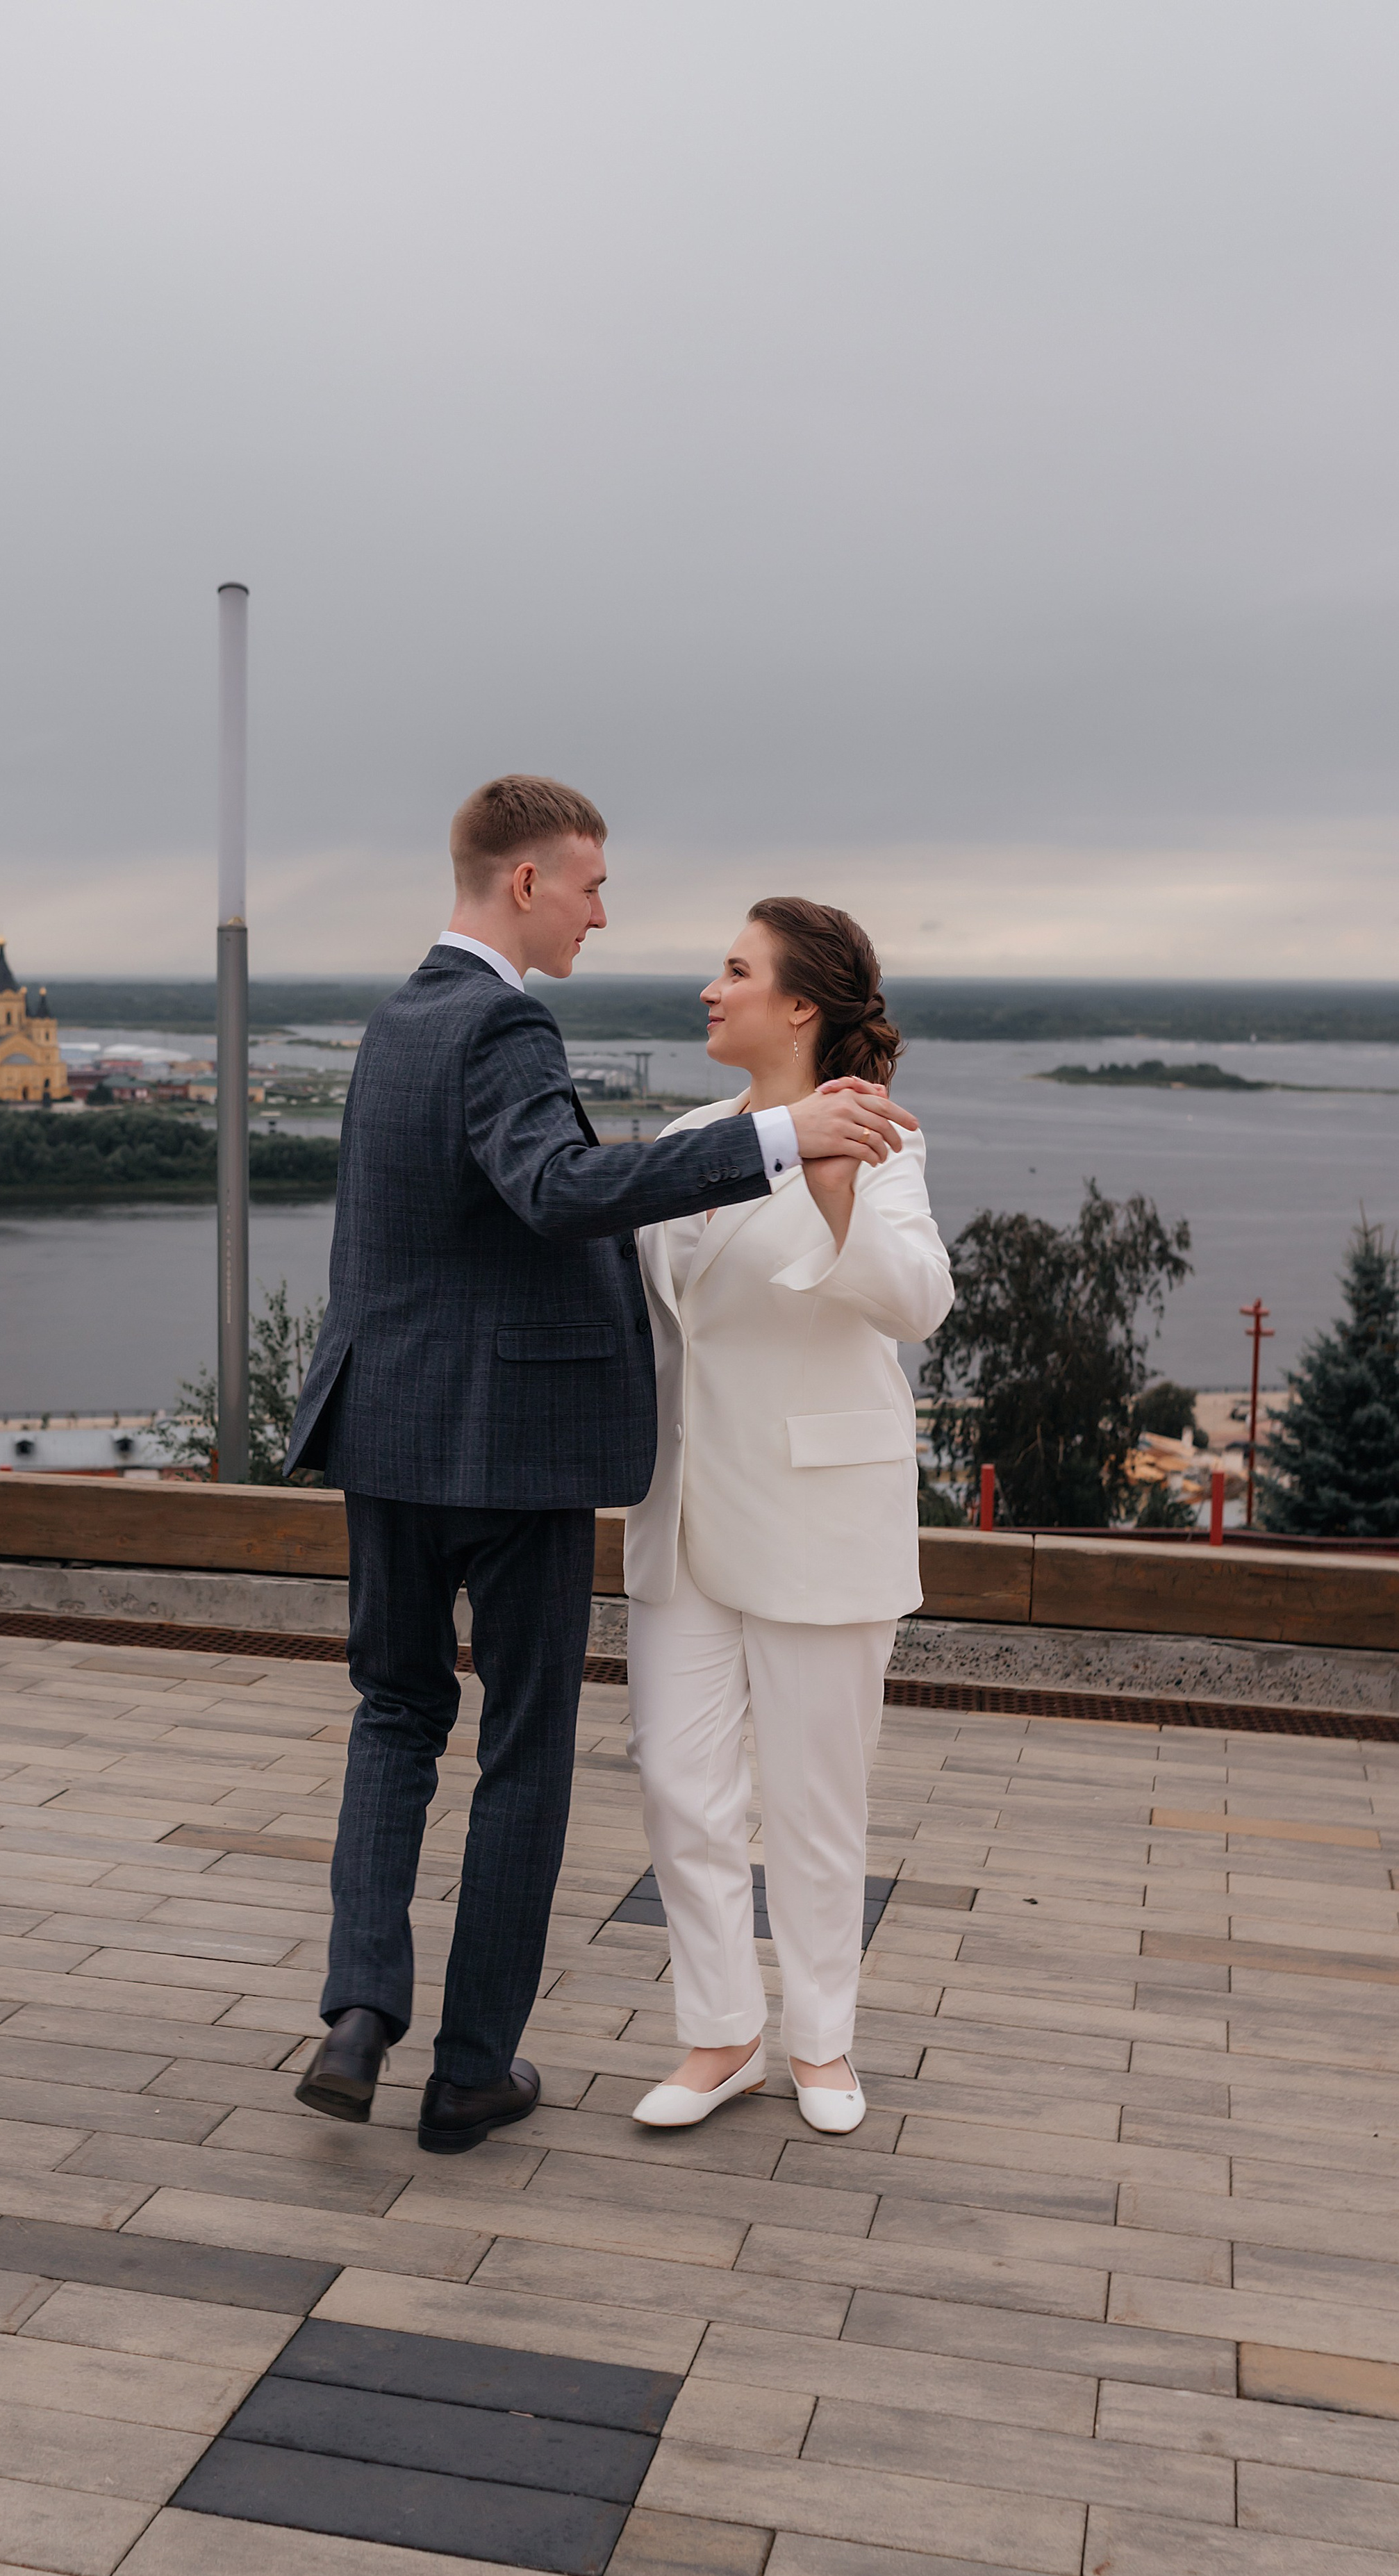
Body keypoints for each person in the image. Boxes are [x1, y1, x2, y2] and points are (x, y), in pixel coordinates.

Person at [285, 780, 920, 2154]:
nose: (603, 911)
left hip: (386, 1438)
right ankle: (468, 2072)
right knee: (524, 1748)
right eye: (588, 886)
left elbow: (422, 1230)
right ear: (525, 886)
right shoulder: (509, 1021)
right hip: (512, 1456)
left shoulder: (392, 1023)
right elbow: (555, 1193)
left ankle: (355, 2010)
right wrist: (772, 1140)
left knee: (394, 1716)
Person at [624, 900, 952, 2136]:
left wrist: (834, 1196)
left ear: (800, 1004)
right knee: (680, 1786)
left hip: (820, 1511)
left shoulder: (879, 1138)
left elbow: (919, 1301)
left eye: (736, 971)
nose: (711, 990)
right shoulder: (693, 1136)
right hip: (683, 1513)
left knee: (817, 1801)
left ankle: (824, 2045)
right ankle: (721, 2034)